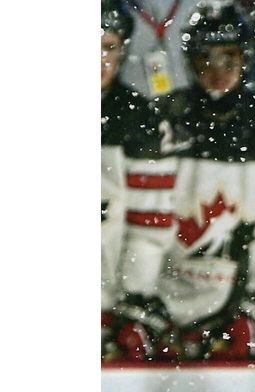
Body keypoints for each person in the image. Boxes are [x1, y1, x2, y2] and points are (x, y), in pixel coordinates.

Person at [154, 0, 255, 359]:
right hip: (161, 306)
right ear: (189, 61)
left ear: (246, 57)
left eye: (229, 57)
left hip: (246, 311)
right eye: (205, 59)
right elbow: (142, 222)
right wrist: (145, 299)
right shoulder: (160, 121)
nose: (218, 70)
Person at [101, 0, 177, 361]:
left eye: (108, 47)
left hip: (106, 308)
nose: (98, 59)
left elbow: (150, 225)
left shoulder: (137, 118)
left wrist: (133, 297)